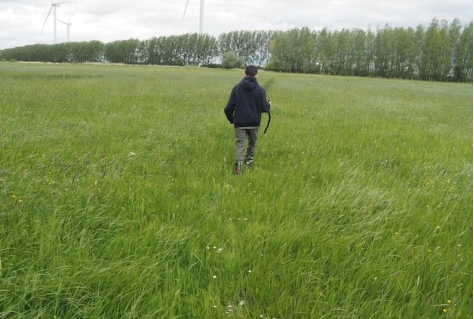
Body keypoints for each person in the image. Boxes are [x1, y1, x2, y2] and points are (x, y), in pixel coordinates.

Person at [224, 65, 271, 175]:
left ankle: (238, 169)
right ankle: (249, 162)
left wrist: (232, 119)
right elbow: (264, 108)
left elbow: (228, 108)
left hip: (239, 122)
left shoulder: (236, 88)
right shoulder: (260, 90)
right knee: (252, 143)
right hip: (254, 122)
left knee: (240, 145)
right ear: (256, 75)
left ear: (244, 74)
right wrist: (269, 105)